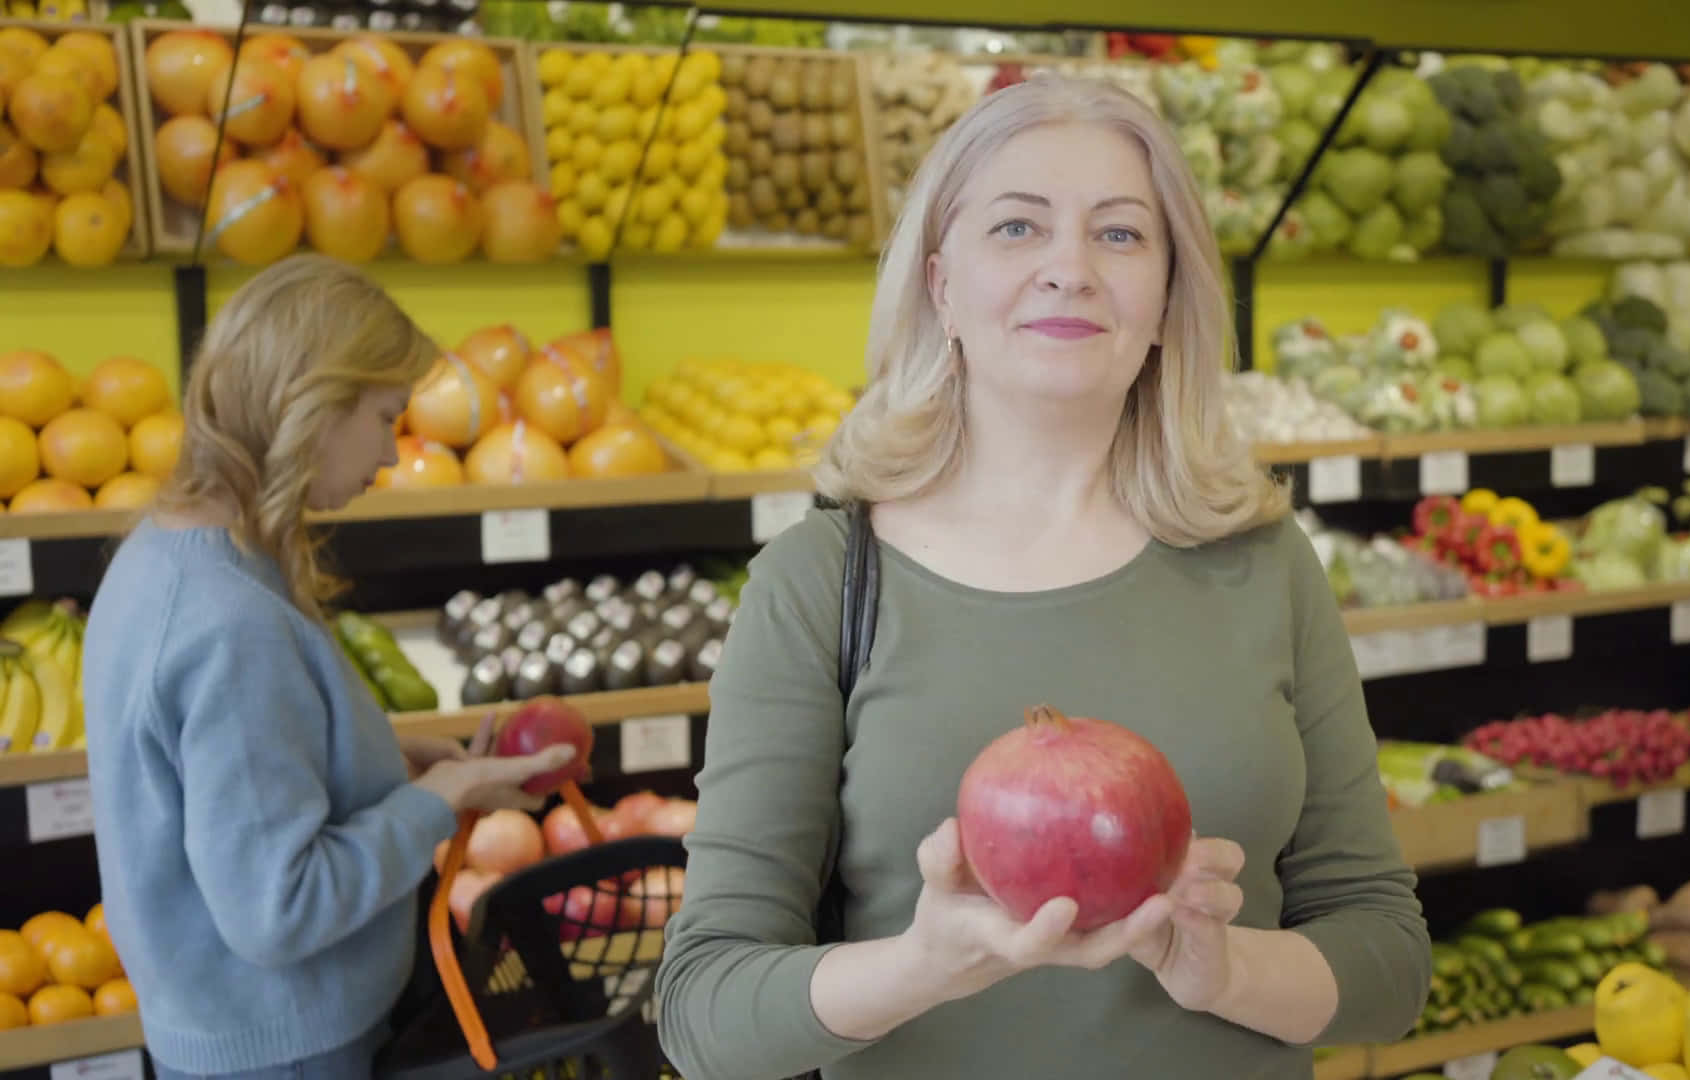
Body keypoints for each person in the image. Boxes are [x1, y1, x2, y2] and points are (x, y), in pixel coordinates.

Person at [656, 75, 1431, 1080]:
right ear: (941, 285)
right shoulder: (821, 583)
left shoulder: (1264, 565)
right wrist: (924, 965)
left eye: (1119, 235)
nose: (1069, 269)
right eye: (1018, 228)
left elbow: (1389, 963)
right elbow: (703, 1012)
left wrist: (1221, 967)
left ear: (1166, 298)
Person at [82, 254, 576, 1080]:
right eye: (385, 417)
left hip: (240, 1030)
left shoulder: (175, 556)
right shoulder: (228, 624)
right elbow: (280, 908)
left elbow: (230, 788)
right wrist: (434, 802)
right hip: (288, 1053)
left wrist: (389, 763)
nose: (391, 455)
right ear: (310, 406)